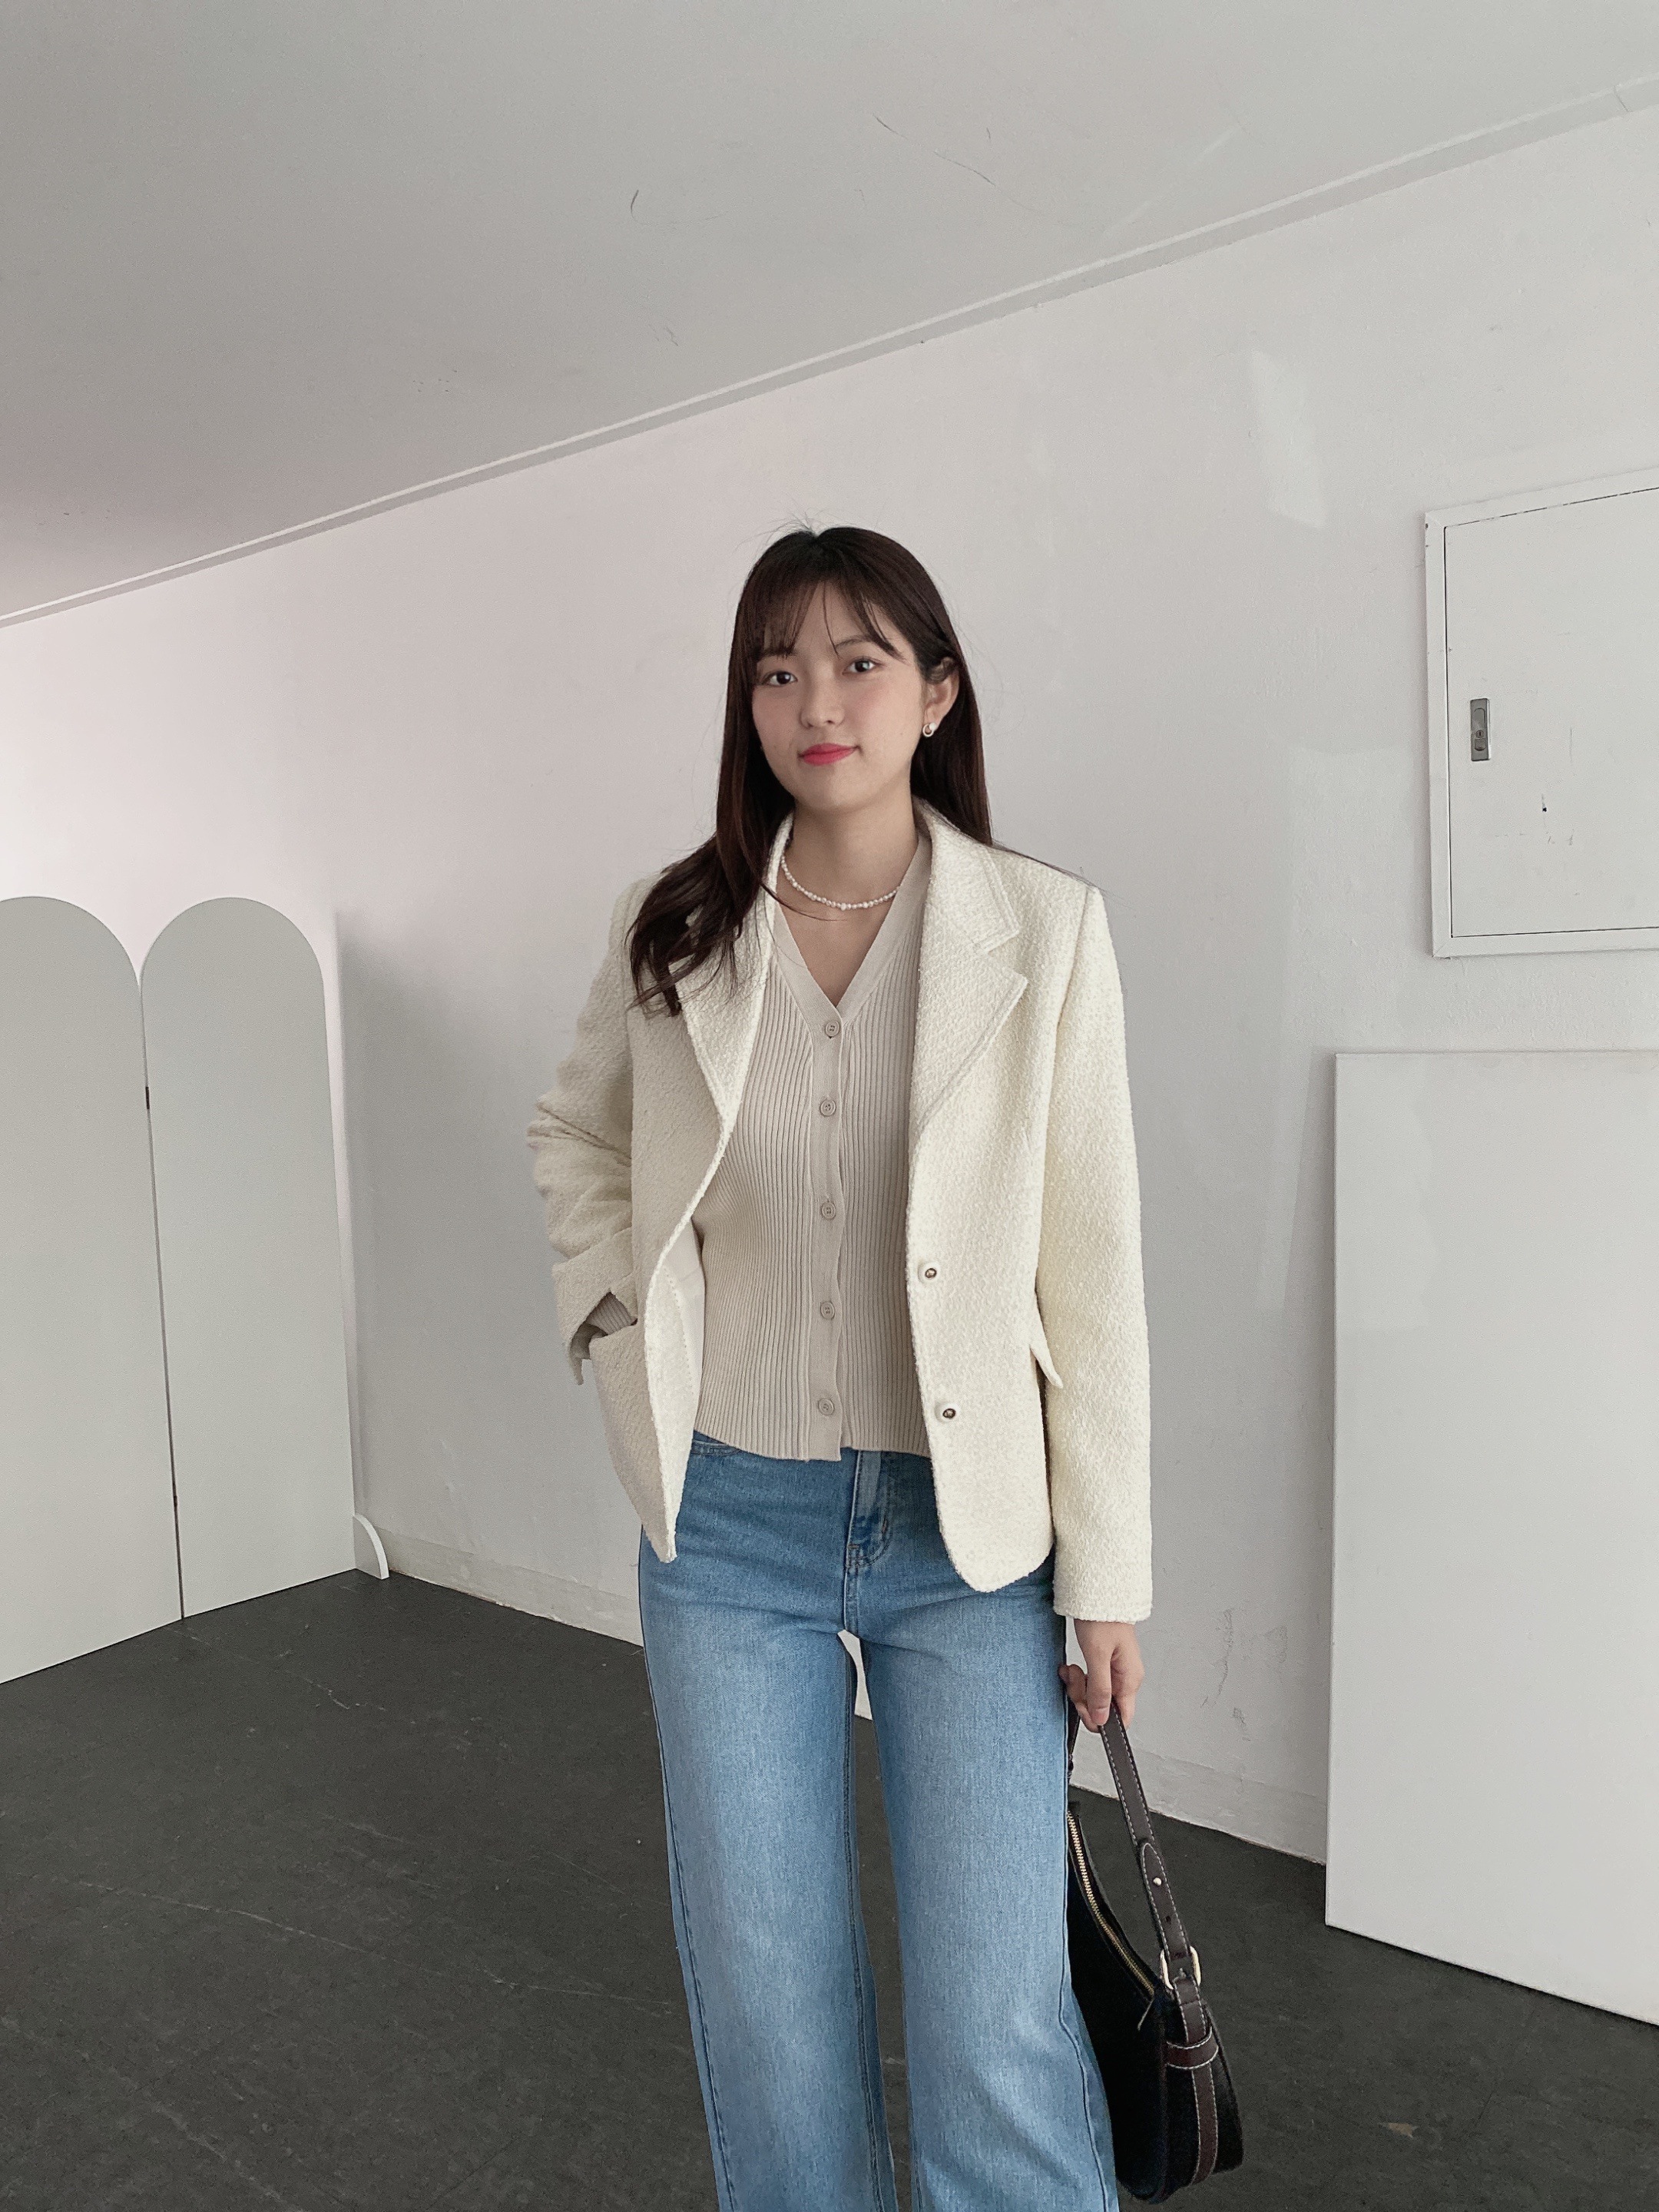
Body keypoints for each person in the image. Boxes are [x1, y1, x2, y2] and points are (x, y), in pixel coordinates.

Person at [527, 525, 1151, 2212]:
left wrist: (1111, 1570)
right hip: (728, 1525)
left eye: (860, 662)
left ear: (936, 691)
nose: (818, 702)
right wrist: (614, 1317)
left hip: (970, 1536)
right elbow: (576, 1135)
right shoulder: (678, 925)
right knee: (770, 2002)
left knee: (995, 2015)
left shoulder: (1043, 931)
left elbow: (1093, 1269)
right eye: (778, 669)